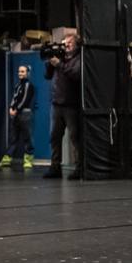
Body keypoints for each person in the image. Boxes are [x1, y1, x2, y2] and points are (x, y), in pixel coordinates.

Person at [44, 32, 83, 180]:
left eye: (69, 44)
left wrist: (59, 65)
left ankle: (79, 168)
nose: (66, 47)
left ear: (76, 46)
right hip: (57, 103)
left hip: (71, 105)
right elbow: (47, 76)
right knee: (54, 137)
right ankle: (55, 167)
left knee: (75, 138)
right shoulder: (60, 59)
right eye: (64, 44)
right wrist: (50, 63)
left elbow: (75, 74)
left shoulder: (78, 59)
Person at [0, 64, 36, 170]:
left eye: (23, 71)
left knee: (27, 138)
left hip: (24, 114)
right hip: (16, 114)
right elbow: (14, 98)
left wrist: (17, 109)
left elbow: (25, 99)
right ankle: (7, 159)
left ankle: (28, 160)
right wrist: (11, 107)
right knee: (13, 137)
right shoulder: (18, 85)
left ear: (27, 73)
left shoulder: (29, 85)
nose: (20, 73)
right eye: (19, 71)